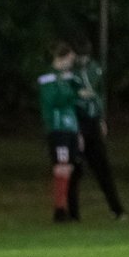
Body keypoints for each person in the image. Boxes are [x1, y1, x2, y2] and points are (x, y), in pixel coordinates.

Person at [72, 40, 128, 221]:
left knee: (103, 168)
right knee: (75, 170)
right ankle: (73, 214)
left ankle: (117, 209)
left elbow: (99, 94)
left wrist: (101, 117)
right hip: (77, 121)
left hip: (92, 121)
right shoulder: (69, 73)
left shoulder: (95, 68)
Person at [38, 42, 83, 223]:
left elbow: (72, 105)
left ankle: (65, 209)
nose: (71, 63)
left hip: (70, 127)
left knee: (69, 168)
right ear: (61, 58)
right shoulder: (48, 79)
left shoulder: (68, 79)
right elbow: (52, 102)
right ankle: (59, 209)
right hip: (58, 129)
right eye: (69, 59)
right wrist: (75, 95)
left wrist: (77, 131)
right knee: (61, 167)